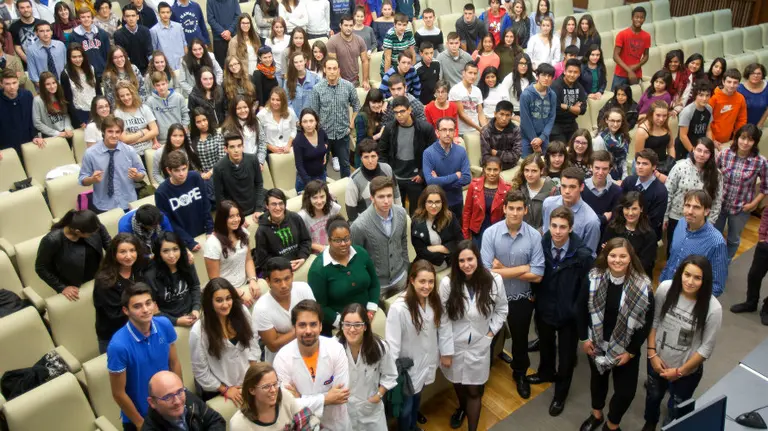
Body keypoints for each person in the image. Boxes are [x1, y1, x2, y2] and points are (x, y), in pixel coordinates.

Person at [577, 237, 654, 431]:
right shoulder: (593, 277)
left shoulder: (643, 286)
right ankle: (596, 415)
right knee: (598, 382)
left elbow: (646, 323)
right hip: (596, 342)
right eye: (613, 255)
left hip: (626, 347)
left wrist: (631, 351)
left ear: (630, 258)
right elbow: (579, 309)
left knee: (625, 392)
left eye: (622, 256)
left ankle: (612, 424)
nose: (617, 260)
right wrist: (584, 338)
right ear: (606, 256)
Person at [642, 255, 722, 430]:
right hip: (657, 360)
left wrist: (679, 372)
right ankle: (650, 422)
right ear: (680, 273)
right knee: (653, 397)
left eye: (697, 277)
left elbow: (706, 348)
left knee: (677, 407)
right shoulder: (665, 289)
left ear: (705, 280)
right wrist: (652, 354)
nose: (690, 281)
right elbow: (654, 322)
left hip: (687, 371)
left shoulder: (713, 308)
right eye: (687, 274)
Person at [528, 205, 592, 416]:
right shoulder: (542, 244)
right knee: (546, 347)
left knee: (566, 360)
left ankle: (560, 395)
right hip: (545, 308)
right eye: (553, 226)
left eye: (562, 227)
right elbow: (535, 272)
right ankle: (545, 373)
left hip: (569, 316)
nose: (557, 231)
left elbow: (586, 290)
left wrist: (577, 312)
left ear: (570, 229)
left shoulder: (582, 255)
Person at [480, 190, 544, 399]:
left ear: (525, 210)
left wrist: (502, 267)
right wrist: (522, 268)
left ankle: (520, 373)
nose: (515, 213)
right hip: (493, 297)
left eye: (519, 209)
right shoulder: (491, 233)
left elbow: (537, 275)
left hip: (521, 298)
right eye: (511, 208)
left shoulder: (534, 236)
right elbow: (485, 271)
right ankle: (480, 374)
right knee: (487, 336)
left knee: (520, 340)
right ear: (504, 209)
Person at [440, 240, 508, 431]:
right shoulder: (447, 283)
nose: (466, 264)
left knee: (474, 389)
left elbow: (502, 309)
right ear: (456, 263)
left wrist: (490, 333)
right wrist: (445, 350)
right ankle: (462, 408)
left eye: (470, 259)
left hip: (480, 343)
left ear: (477, 258)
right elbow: (443, 319)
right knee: (458, 383)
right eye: (461, 261)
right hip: (454, 345)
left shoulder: (494, 280)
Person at [106, 282, 182, 431]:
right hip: (140, 417)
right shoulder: (118, 346)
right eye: (137, 306)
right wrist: (140, 423)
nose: (145, 310)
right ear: (126, 310)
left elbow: (174, 363)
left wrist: (179, 395)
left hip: (168, 408)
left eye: (148, 303)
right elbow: (118, 393)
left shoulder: (165, 324)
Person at [272, 299, 351, 430]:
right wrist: (326, 399)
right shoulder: (282, 358)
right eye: (302, 325)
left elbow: (341, 396)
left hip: (336, 424)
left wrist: (301, 398)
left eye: (313, 324)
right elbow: (287, 406)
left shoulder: (336, 349)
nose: (308, 331)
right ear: (294, 328)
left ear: (320, 326)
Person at [189, 277, 260, 403]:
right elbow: (200, 371)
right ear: (209, 302)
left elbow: (253, 343)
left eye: (228, 298)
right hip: (219, 390)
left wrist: (252, 376)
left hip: (248, 379)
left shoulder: (242, 311)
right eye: (219, 300)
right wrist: (224, 389)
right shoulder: (198, 331)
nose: (226, 304)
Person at [336, 303, 398, 430]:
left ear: (365, 326)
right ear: (342, 326)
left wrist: (379, 395)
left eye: (357, 324)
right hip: (344, 411)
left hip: (371, 411)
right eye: (347, 324)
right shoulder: (333, 347)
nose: (352, 329)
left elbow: (390, 374)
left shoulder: (379, 347)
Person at [660, 190, 728, 298]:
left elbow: (717, 286)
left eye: (696, 207)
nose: (690, 211)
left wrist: (691, 301)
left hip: (689, 298)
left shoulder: (716, 242)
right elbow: (672, 259)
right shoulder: (681, 223)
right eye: (687, 205)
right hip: (667, 287)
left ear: (706, 211)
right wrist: (662, 281)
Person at [349, 176, 408, 297]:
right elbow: (355, 259)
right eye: (381, 197)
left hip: (401, 277)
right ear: (372, 198)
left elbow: (403, 241)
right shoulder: (358, 226)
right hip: (377, 285)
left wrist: (406, 266)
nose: (386, 201)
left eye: (389, 196)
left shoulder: (401, 213)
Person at [715, 124, 767, 260]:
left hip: (741, 208)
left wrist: (753, 204)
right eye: (742, 138)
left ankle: (725, 263)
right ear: (737, 138)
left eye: (750, 140)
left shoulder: (760, 162)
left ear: (755, 142)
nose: (745, 143)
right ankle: (713, 262)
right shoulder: (724, 154)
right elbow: (712, 175)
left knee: (733, 239)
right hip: (720, 205)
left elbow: (765, 187)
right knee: (715, 236)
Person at [35, 209, 110, 301]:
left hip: (98, 277)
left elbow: (108, 243)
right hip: (75, 286)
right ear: (78, 232)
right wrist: (62, 287)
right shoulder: (52, 240)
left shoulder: (92, 224)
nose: (94, 234)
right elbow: (41, 267)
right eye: (91, 234)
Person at [664, 137, 722, 255]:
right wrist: (665, 216)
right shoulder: (680, 167)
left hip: (700, 221)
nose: (702, 154)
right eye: (699, 150)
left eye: (706, 152)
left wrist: (710, 221)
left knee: (693, 253)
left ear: (711, 154)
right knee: (673, 249)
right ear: (693, 149)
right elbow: (668, 192)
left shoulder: (716, 174)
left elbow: (717, 201)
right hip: (677, 217)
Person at [252, 257, 315, 363]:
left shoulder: (304, 288)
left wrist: (282, 335)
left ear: (292, 276)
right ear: (268, 282)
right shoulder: (261, 308)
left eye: (287, 278)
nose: (284, 285)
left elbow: (316, 323)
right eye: (277, 281)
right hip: (280, 361)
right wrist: (302, 329)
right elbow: (273, 345)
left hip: (311, 352)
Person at [79, 116, 147, 213]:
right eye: (110, 131)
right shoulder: (90, 153)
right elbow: (82, 179)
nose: (114, 135)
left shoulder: (129, 151)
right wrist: (91, 179)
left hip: (128, 202)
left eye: (117, 132)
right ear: (103, 131)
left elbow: (142, 173)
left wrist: (137, 176)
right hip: (103, 205)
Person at [378, 95, 433, 214]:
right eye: (396, 112)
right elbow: (382, 152)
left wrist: (422, 173)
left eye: (402, 111)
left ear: (409, 110)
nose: (399, 115)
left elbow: (433, 155)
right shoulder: (389, 128)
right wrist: (387, 173)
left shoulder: (425, 128)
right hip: (395, 178)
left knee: (417, 213)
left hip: (416, 179)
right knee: (396, 212)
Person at [93, 234, 147, 353]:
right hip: (114, 335)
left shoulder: (140, 268)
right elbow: (115, 315)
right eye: (122, 252)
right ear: (114, 254)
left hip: (141, 328)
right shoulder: (104, 280)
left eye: (132, 250)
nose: (128, 256)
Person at [229, 362, 322, 430]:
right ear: (252, 390)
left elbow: (309, 422)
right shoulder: (239, 424)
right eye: (266, 387)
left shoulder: (285, 396)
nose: (273, 390)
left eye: (275, 384)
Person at [308, 58, 359, 178]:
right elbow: (314, 113)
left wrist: (351, 125)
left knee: (345, 165)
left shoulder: (348, 86)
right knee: (322, 165)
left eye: (334, 68)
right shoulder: (317, 89)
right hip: (324, 134)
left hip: (343, 133)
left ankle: (346, 189)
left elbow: (357, 106)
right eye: (329, 68)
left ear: (339, 70)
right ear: (324, 70)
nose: (332, 71)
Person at [154, 150, 213, 252]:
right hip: (182, 239)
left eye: (184, 169)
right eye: (177, 170)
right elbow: (168, 222)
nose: (181, 174)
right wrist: (188, 241)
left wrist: (210, 229)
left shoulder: (195, 177)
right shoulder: (161, 193)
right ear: (169, 170)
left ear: (187, 165)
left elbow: (205, 204)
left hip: (204, 230)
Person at [205, 200, 260, 307]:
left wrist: (253, 280)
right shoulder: (212, 243)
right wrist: (237, 292)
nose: (236, 219)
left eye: (237, 215)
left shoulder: (243, 232)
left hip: (246, 284)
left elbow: (248, 260)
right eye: (231, 217)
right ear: (222, 219)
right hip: (225, 292)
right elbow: (215, 280)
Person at [143, 231, 202, 326]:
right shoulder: (150, 276)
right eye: (165, 251)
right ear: (159, 253)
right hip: (168, 321)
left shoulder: (187, 263)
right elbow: (153, 310)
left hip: (192, 312)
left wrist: (196, 309)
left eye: (175, 249)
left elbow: (195, 286)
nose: (171, 255)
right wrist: (176, 321)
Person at [543, 167, 601, 256]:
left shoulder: (591, 221)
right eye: (564, 186)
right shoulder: (548, 204)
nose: (567, 191)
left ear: (581, 187)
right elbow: (546, 233)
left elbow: (589, 255)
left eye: (572, 187)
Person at [143, 370, 226, 430]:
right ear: (152, 402)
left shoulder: (188, 397)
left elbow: (216, 420)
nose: (177, 401)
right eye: (168, 397)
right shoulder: (150, 428)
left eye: (179, 392)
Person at [254, 189, 312, 273]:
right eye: (273, 204)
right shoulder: (261, 231)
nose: (278, 208)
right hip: (280, 271)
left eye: (281, 203)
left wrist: (302, 257)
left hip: (301, 263)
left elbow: (306, 240)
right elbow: (263, 260)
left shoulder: (295, 218)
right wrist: (283, 265)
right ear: (267, 206)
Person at [423, 117, 472, 218]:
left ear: (455, 132)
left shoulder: (461, 151)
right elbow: (430, 181)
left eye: (451, 130)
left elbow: (467, 178)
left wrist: (440, 183)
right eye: (444, 130)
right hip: (436, 204)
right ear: (437, 132)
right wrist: (455, 176)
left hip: (456, 202)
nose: (448, 133)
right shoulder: (428, 153)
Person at [602, 191, 657, 278]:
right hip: (611, 273)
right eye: (627, 208)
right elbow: (604, 251)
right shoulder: (612, 228)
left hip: (636, 277)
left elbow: (644, 264)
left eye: (634, 208)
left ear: (641, 209)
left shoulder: (649, 235)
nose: (630, 213)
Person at [411, 185, 463, 272]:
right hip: (425, 265)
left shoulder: (450, 217)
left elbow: (460, 242)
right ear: (424, 203)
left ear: (443, 203)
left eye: (437, 202)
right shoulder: (416, 221)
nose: (434, 206)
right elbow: (420, 251)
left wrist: (439, 248)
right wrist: (446, 251)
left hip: (449, 263)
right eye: (430, 202)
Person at [213, 134, 265, 220]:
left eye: (239, 146)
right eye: (232, 147)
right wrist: (236, 217)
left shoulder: (253, 159)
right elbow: (220, 198)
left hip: (255, 206)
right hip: (236, 213)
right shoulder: (218, 168)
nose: (236, 150)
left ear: (243, 147)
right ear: (226, 149)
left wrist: (258, 209)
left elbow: (259, 184)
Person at [621, 149, 668, 240]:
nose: (640, 167)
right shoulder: (629, 181)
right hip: (624, 229)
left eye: (645, 164)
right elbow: (620, 206)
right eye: (638, 163)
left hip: (646, 235)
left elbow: (654, 220)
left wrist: (633, 231)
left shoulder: (660, 191)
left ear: (654, 167)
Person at [462, 156, 511, 244]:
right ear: (484, 169)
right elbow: (467, 211)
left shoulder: (507, 189)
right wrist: (465, 234)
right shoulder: (473, 186)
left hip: (497, 232)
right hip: (477, 231)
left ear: (500, 170)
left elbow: (508, 215)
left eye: (495, 170)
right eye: (489, 169)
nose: (492, 173)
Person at [732, 206, 768, 324]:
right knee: (754, 275)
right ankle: (751, 303)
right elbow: (766, 213)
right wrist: (762, 236)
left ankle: (767, 308)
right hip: (765, 245)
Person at [511, 154, 557, 231]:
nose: (529, 175)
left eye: (534, 171)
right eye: (526, 170)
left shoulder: (552, 190)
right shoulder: (518, 187)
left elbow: (555, 218)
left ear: (541, 171)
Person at [519, 62, 557, 157]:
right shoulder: (526, 95)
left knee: (545, 164)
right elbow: (525, 121)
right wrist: (535, 143)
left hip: (543, 137)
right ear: (537, 76)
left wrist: (542, 138)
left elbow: (551, 118)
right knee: (527, 164)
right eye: (543, 75)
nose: (546, 78)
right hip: (527, 137)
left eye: (549, 76)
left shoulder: (552, 95)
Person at [113, 82, 158, 157]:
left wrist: (136, 140)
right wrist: (143, 132)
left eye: (128, 94)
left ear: (133, 94)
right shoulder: (118, 113)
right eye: (122, 96)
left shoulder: (144, 108)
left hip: (149, 149)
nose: (126, 98)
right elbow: (124, 139)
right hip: (130, 152)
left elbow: (155, 131)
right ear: (119, 98)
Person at [580, 150, 622, 230]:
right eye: (597, 168)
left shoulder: (617, 191)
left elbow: (615, 219)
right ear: (590, 167)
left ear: (610, 170)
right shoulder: (581, 188)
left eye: (604, 169)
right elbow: (579, 217)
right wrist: (603, 219)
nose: (600, 172)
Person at [611, 6, 650, 90]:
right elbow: (615, 56)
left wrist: (636, 66)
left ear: (644, 19)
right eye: (636, 17)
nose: (639, 20)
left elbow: (646, 55)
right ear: (632, 18)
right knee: (615, 99)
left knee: (632, 99)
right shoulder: (622, 34)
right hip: (620, 74)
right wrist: (629, 70)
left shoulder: (647, 36)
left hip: (636, 74)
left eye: (641, 17)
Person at [60, 43, 99, 128]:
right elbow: (68, 100)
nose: (78, 59)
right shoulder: (65, 74)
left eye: (80, 56)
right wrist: (79, 121)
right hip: (80, 113)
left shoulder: (91, 69)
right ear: (69, 58)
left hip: (96, 110)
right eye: (74, 57)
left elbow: (98, 91)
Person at [326, 14, 369, 89]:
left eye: (351, 25)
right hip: (338, 81)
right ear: (340, 25)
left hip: (355, 80)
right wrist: (341, 83)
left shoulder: (359, 40)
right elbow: (333, 65)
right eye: (346, 25)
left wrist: (365, 80)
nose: (348, 28)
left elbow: (365, 61)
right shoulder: (332, 42)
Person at [146, 73, 189, 146]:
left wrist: (183, 133)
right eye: (158, 85)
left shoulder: (178, 97)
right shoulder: (150, 101)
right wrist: (155, 141)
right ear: (154, 86)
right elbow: (150, 123)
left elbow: (185, 116)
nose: (161, 87)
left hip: (179, 137)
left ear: (167, 83)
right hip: (162, 140)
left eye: (163, 84)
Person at [297, 180, 341, 253]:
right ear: (309, 198)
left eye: (322, 196)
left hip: (334, 247)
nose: (319, 201)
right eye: (315, 197)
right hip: (314, 254)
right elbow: (301, 241)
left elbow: (340, 226)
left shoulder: (333, 207)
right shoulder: (302, 216)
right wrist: (323, 248)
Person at [708, 69, 747, 148]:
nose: (732, 85)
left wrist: (736, 138)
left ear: (739, 83)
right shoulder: (714, 97)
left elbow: (741, 120)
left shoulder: (740, 98)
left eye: (735, 82)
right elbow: (706, 120)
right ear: (723, 81)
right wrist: (712, 139)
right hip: (711, 140)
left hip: (728, 140)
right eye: (729, 82)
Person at [292, 107, 328, 193]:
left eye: (311, 121)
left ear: (316, 122)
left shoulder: (321, 132)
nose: (308, 124)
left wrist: (324, 153)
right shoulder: (298, 140)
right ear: (301, 124)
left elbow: (326, 141)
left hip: (321, 175)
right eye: (305, 121)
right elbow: (299, 165)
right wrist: (310, 184)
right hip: (305, 180)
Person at [550, 58, 587, 143]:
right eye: (570, 71)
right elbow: (556, 109)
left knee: (578, 146)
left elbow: (583, 110)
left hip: (572, 124)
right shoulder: (555, 86)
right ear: (564, 71)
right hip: (556, 125)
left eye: (575, 72)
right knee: (562, 149)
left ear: (579, 74)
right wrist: (574, 109)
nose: (572, 75)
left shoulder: (579, 87)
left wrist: (566, 106)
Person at [479, 101, 521, 172]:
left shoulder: (516, 130)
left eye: (508, 115)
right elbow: (486, 156)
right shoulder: (486, 131)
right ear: (495, 114)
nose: (504, 118)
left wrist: (497, 153)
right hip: (491, 168)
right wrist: (506, 156)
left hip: (510, 166)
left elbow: (516, 155)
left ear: (511, 116)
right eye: (501, 114)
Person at [70, 6, 110, 79]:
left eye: (88, 17)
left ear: (92, 18)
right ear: (79, 19)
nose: (86, 19)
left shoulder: (102, 33)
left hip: (103, 71)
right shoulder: (74, 36)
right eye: (83, 17)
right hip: (86, 74)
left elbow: (108, 54)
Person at [32, 72, 74, 140]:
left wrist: (68, 128)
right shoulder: (37, 100)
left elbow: (65, 114)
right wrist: (57, 133)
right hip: (51, 136)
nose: (52, 86)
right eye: (48, 84)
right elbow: (37, 123)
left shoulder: (60, 95)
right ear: (43, 86)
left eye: (54, 83)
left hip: (65, 133)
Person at [675, 83, 712, 160]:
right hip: (685, 149)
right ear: (695, 95)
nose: (704, 98)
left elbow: (708, 130)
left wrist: (710, 147)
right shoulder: (687, 111)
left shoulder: (709, 109)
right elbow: (683, 136)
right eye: (701, 95)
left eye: (707, 95)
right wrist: (693, 152)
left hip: (700, 147)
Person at [114, 5, 153, 75]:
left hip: (147, 69)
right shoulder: (118, 34)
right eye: (128, 16)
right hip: (129, 70)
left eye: (133, 16)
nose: (131, 19)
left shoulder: (145, 31)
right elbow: (122, 55)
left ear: (137, 17)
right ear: (124, 18)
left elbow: (150, 52)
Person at [257, 87, 297, 155]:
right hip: (269, 152)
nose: (275, 102)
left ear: (283, 101)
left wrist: (288, 144)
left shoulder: (290, 112)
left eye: (278, 100)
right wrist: (270, 147)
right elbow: (258, 136)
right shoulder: (262, 115)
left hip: (288, 150)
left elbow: (294, 129)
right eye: (273, 99)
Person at [449, 61, 486, 135]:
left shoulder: (477, 90)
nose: (472, 76)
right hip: (461, 131)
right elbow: (461, 114)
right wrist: (479, 128)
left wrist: (485, 128)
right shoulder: (455, 89)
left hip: (476, 130)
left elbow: (480, 113)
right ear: (463, 73)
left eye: (475, 73)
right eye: (470, 73)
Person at [26, 22, 66, 87]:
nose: (45, 34)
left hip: (63, 83)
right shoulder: (31, 50)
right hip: (45, 86)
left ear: (51, 32)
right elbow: (33, 75)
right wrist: (45, 89)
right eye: (41, 31)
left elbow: (66, 65)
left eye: (48, 30)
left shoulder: (60, 45)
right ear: (36, 33)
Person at [150, 2, 187, 71]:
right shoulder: (154, 31)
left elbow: (184, 43)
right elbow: (154, 50)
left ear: (171, 13)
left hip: (182, 64)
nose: (165, 15)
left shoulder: (178, 27)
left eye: (167, 12)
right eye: (163, 12)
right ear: (159, 14)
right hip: (166, 67)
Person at [283, 51, 319, 117]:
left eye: (301, 61)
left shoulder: (315, 78)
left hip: (311, 119)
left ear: (305, 61)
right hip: (295, 119)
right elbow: (287, 102)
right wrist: (295, 119)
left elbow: (318, 101)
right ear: (293, 64)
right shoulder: (287, 81)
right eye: (296, 62)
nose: (299, 64)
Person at [381, 12, 415, 76]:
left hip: (404, 66)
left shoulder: (409, 32)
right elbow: (388, 58)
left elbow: (412, 52)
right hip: (391, 67)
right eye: (399, 24)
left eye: (404, 25)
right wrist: (387, 76)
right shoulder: (390, 35)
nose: (402, 27)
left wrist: (412, 69)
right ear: (394, 25)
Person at [207, 0, 240, 66]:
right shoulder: (210, 1)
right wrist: (223, 32)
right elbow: (210, 19)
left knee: (236, 64)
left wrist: (229, 31)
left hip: (233, 38)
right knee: (221, 66)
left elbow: (238, 16)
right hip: (218, 39)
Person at [737, 63, 768, 129]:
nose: (755, 76)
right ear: (748, 74)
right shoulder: (739, 89)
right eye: (752, 73)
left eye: (758, 73)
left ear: (762, 75)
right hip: (741, 125)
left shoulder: (767, 87)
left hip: (758, 124)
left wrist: (760, 124)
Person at [414, 41, 440, 106]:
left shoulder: (437, 64)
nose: (429, 56)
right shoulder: (416, 68)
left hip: (435, 99)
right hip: (423, 102)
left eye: (431, 53)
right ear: (421, 53)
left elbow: (437, 80)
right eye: (426, 53)